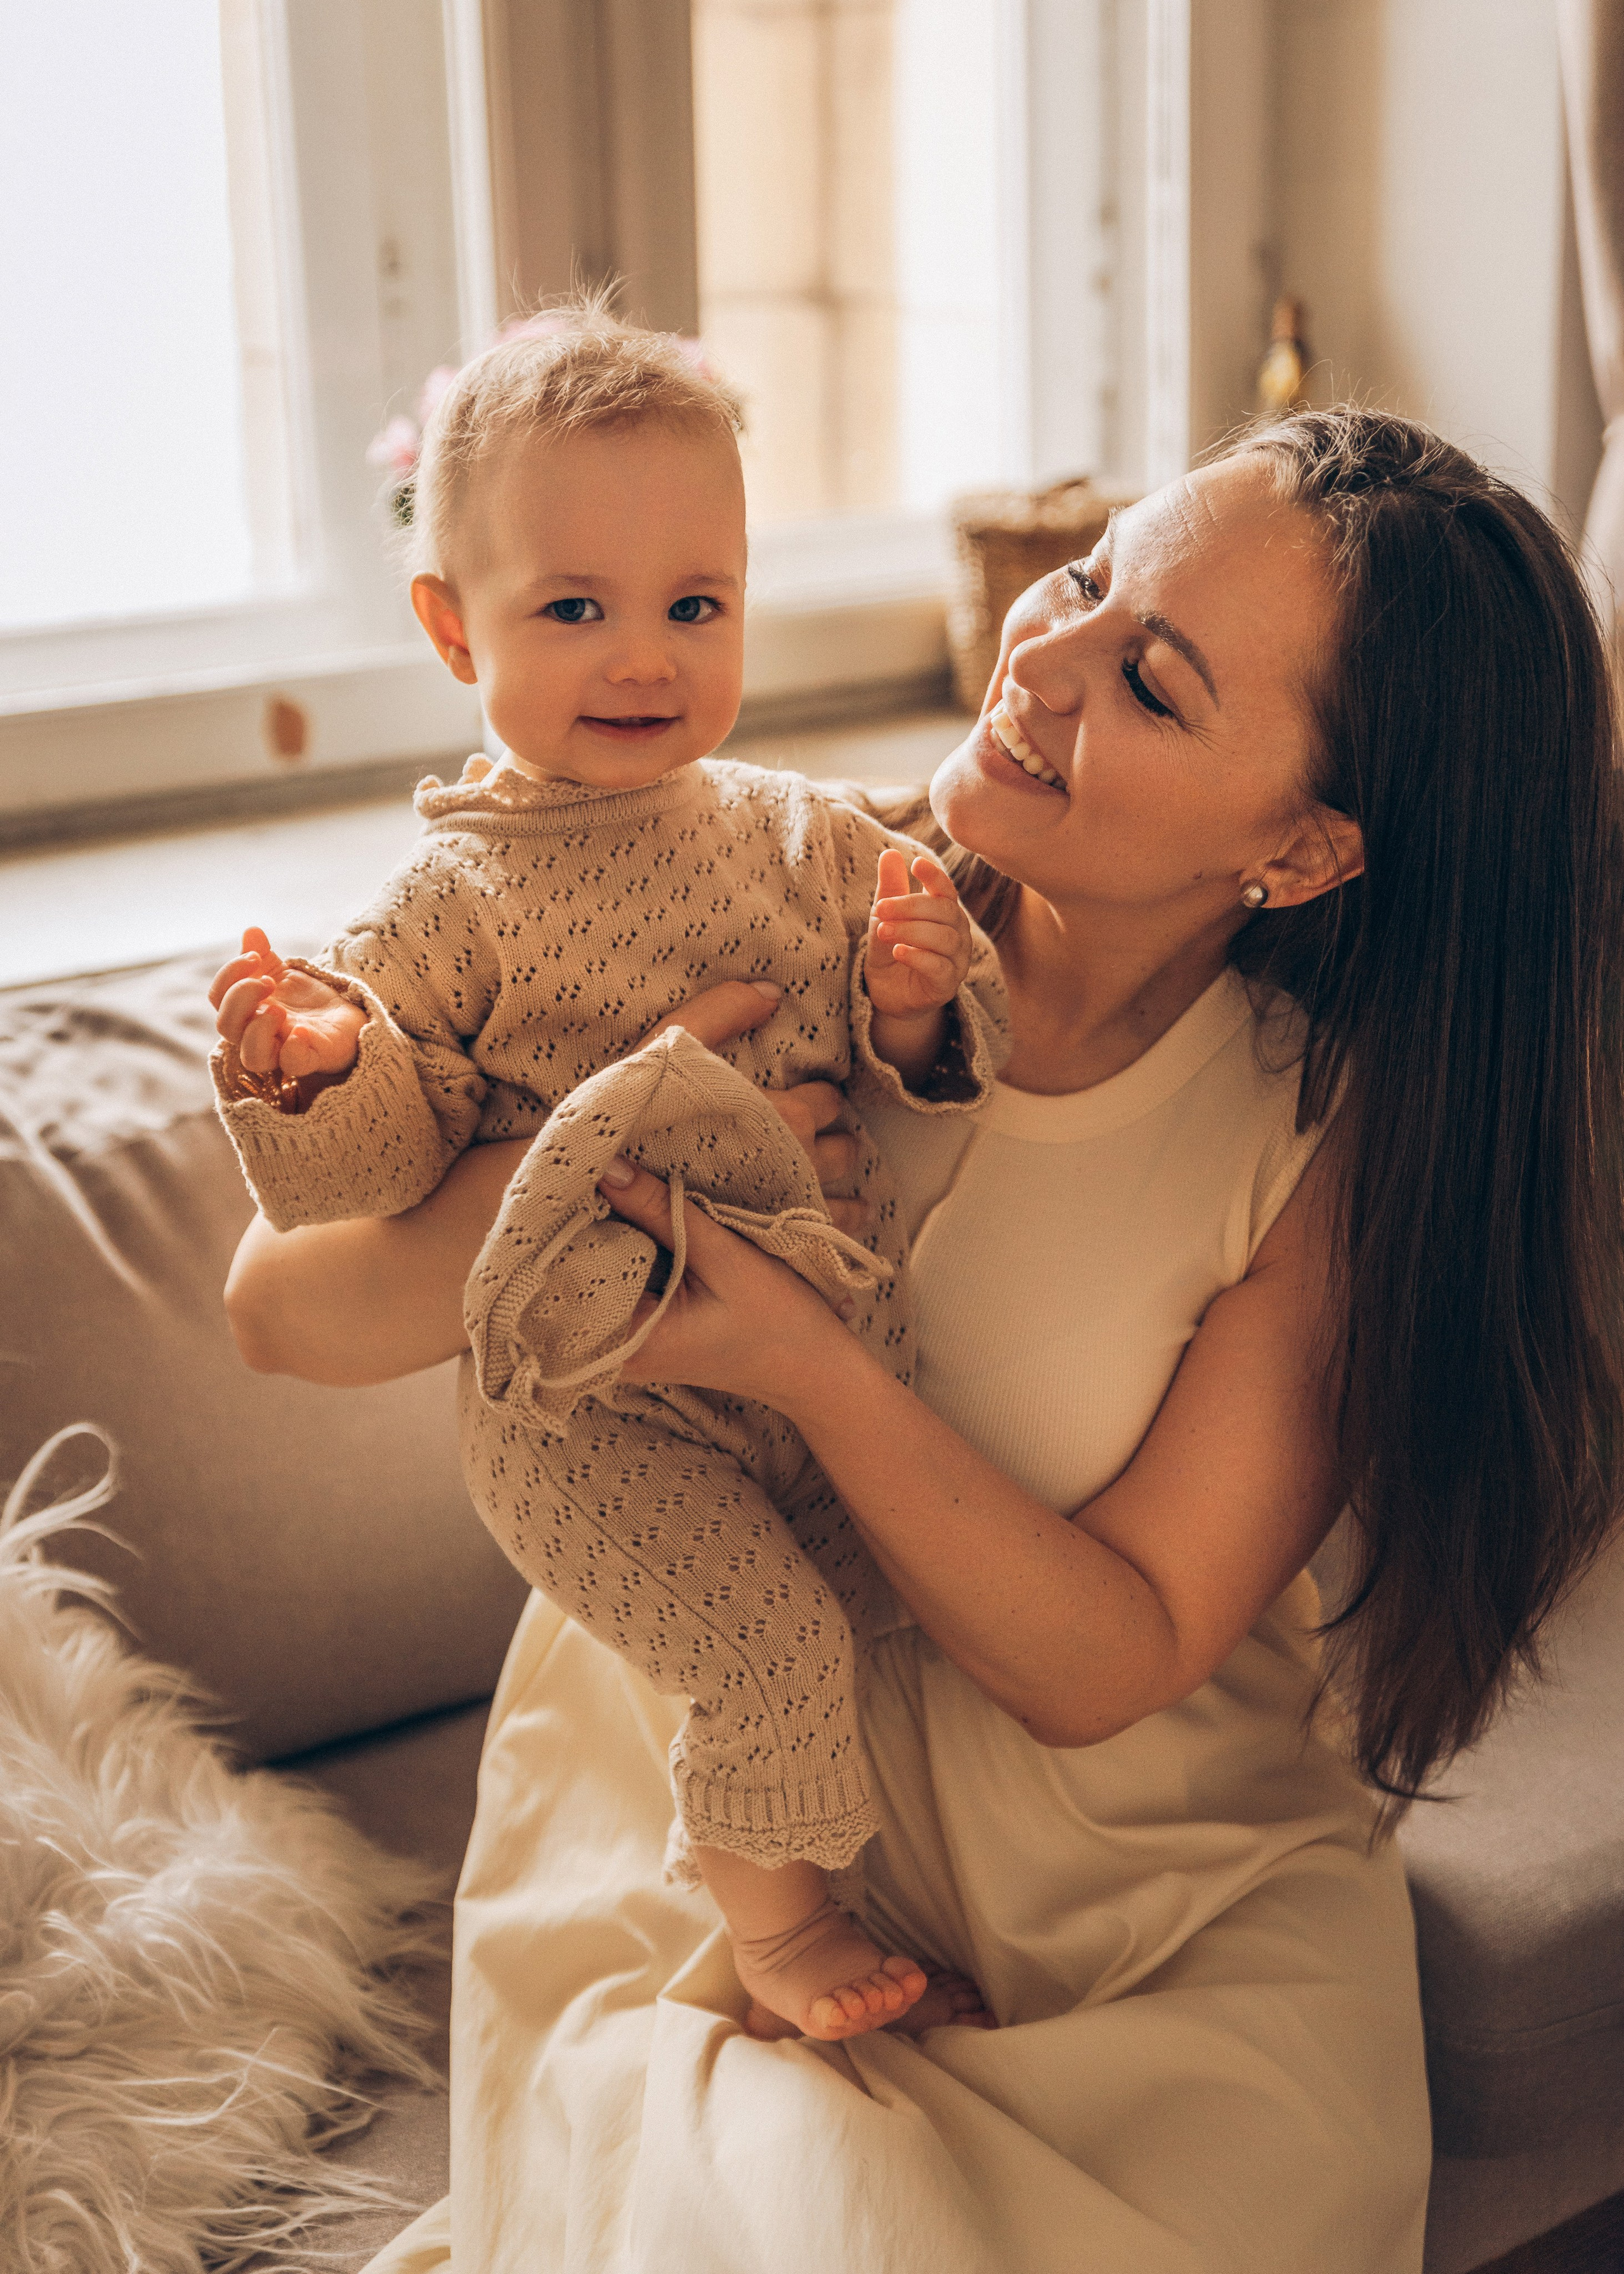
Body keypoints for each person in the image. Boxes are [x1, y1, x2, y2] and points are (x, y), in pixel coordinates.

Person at [225, 408, 1624, 2272]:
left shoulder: (1322, 1142)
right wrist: (618, 1144)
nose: (1035, 657)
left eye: (1149, 677)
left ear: (1301, 844)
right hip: (709, 1851)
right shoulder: (790, 888)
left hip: (1145, 1927)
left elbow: (1109, 1656)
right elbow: (279, 1311)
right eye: (1084, 575)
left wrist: (807, 1362)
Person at [206, 301, 1009, 2043]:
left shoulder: (798, 835)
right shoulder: (447, 904)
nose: (643, 656)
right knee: (771, 1653)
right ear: (449, 626)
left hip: (809, 1375)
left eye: (692, 605)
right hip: (588, 1414)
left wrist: (912, 997)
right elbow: (377, 1169)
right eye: (574, 608)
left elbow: (924, 1070)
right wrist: (317, 1073)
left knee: (876, 1632)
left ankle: (783, 1868)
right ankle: (780, 1937)